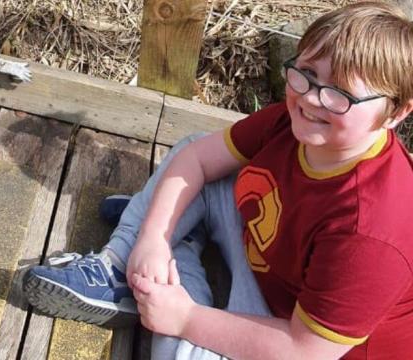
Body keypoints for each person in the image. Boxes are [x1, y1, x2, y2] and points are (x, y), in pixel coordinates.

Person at [22, 2, 413, 358]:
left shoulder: (374, 232)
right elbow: (197, 158)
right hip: (266, 261)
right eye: (307, 74)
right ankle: (127, 261)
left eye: (340, 93)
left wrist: (186, 319)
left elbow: (304, 349)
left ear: (396, 112)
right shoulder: (289, 124)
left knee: (181, 349)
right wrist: (154, 238)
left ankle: (167, 264)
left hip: (288, 334)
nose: (312, 98)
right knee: (200, 161)